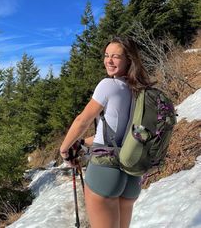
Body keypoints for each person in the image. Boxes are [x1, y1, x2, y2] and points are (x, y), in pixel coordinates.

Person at [60, 37, 152, 228]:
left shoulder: (108, 85)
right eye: (106, 55)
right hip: (131, 174)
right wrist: (83, 142)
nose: (108, 61)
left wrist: (64, 149)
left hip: (106, 170)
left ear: (128, 60)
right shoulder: (140, 90)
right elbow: (120, 131)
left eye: (116, 56)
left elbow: (82, 120)